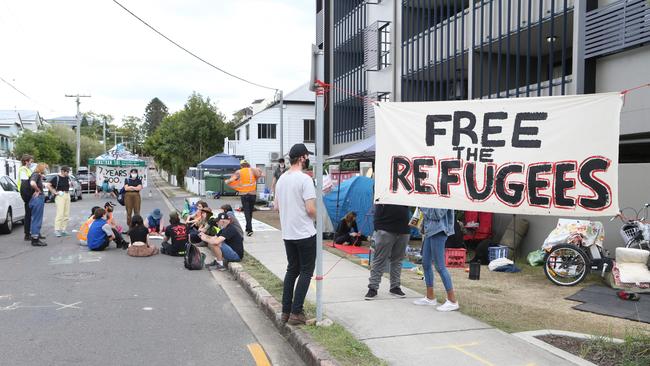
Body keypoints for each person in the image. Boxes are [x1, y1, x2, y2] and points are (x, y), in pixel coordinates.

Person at [274, 143, 317, 326]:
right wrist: (318, 218)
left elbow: (276, 206)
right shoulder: (305, 179)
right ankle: (296, 312)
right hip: (305, 232)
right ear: (301, 158)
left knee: (292, 270)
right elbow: (310, 209)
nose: (308, 159)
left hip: (288, 233)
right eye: (307, 156)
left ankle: (285, 311)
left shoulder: (282, 179)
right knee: (306, 271)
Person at [413, 208, 459, 312]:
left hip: (439, 230)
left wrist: (422, 207)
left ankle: (452, 301)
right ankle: (430, 297)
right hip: (430, 230)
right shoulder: (432, 195)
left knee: (440, 266)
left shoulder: (444, 195)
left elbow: (437, 214)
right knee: (425, 263)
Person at [365, 204, 411, 300]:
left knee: (397, 260)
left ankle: (395, 287)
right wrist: (377, 227)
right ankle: (373, 287)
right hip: (385, 227)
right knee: (379, 259)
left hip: (403, 228)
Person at [225, 159, 263, 237]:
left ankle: (249, 229)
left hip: (244, 194)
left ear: (241, 165)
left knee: (246, 212)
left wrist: (227, 181)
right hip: (253, 194)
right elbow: (260, 174)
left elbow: (231, 180)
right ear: (248, 165)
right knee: (250, 212)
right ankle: (248, 227)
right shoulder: (252, 171)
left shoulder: (239, 172)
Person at [28, 163, 48, 247]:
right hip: (37, 199)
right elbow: (32, 183)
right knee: (37, 219)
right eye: (46, 168)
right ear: (42, 168)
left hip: (36, 199)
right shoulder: (36, 175)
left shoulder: (37, 175)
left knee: (35, 219)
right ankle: (35, 240)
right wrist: (38, 190)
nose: (46, 170)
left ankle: (35, 237)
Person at [50, 166, 72, 237]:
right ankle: (57, 230)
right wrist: (55, 192)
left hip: (67, 194)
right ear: (62, 171)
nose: (68, 173)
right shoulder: (56, 178)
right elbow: (48, 185)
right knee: (60, 213)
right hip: (60, 196)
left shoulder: (67, 177)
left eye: (68, 172)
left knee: (66, 213)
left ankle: (63, 230)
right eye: (67, 172)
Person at [18, 154, 34, 241]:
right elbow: (25, 182)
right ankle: (27, 234)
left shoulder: (28, 169)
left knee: (31, 214)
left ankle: (33, 232)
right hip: (26, 194)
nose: (31, 163)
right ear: (26, 161)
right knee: (28, 215)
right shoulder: (23, 169)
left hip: (29, 193)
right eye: (30, 161)